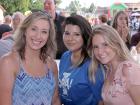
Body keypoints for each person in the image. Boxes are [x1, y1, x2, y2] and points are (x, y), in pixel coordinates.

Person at [0, 11, 61, 105]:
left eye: (44, 32)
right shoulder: (9, 62)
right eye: (33, 29)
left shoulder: (51, 65)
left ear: (49, 36)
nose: (38, 36)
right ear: (25, 30)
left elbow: (55, 100)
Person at [88, 25, 140, 105]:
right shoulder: (108, 69)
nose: (100, 52)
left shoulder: (129, 69)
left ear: (116, 43)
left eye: (105, 44)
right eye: (96, 47)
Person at [59, 15, 104, 105]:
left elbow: (101, 101)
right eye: (67, 33)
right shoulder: (65, 57)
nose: (70, 38)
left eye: (76, 34)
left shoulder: (93, 64)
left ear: (85, 36)